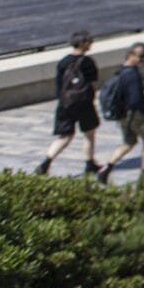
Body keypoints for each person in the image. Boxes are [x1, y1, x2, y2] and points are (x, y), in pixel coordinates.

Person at [40, 31, 101, 178]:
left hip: (65, 103)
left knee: (65, 136)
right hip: (84, 103)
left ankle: (45, 164)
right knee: (89, 133)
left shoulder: (63, 61)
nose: (91, 44)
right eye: (89, 41)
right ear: (83, 43)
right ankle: (89, 163)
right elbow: (93, 83)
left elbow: (59, 84)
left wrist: (62, 100)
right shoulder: (87, 62)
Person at [97, 43, 144, 182]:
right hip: (136, 114)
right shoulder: (132, 75)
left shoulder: (120, 71)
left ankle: (106, 169)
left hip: (123, 115)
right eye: (141, 56)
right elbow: (136, 99)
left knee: (128, 143)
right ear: (130, 55)